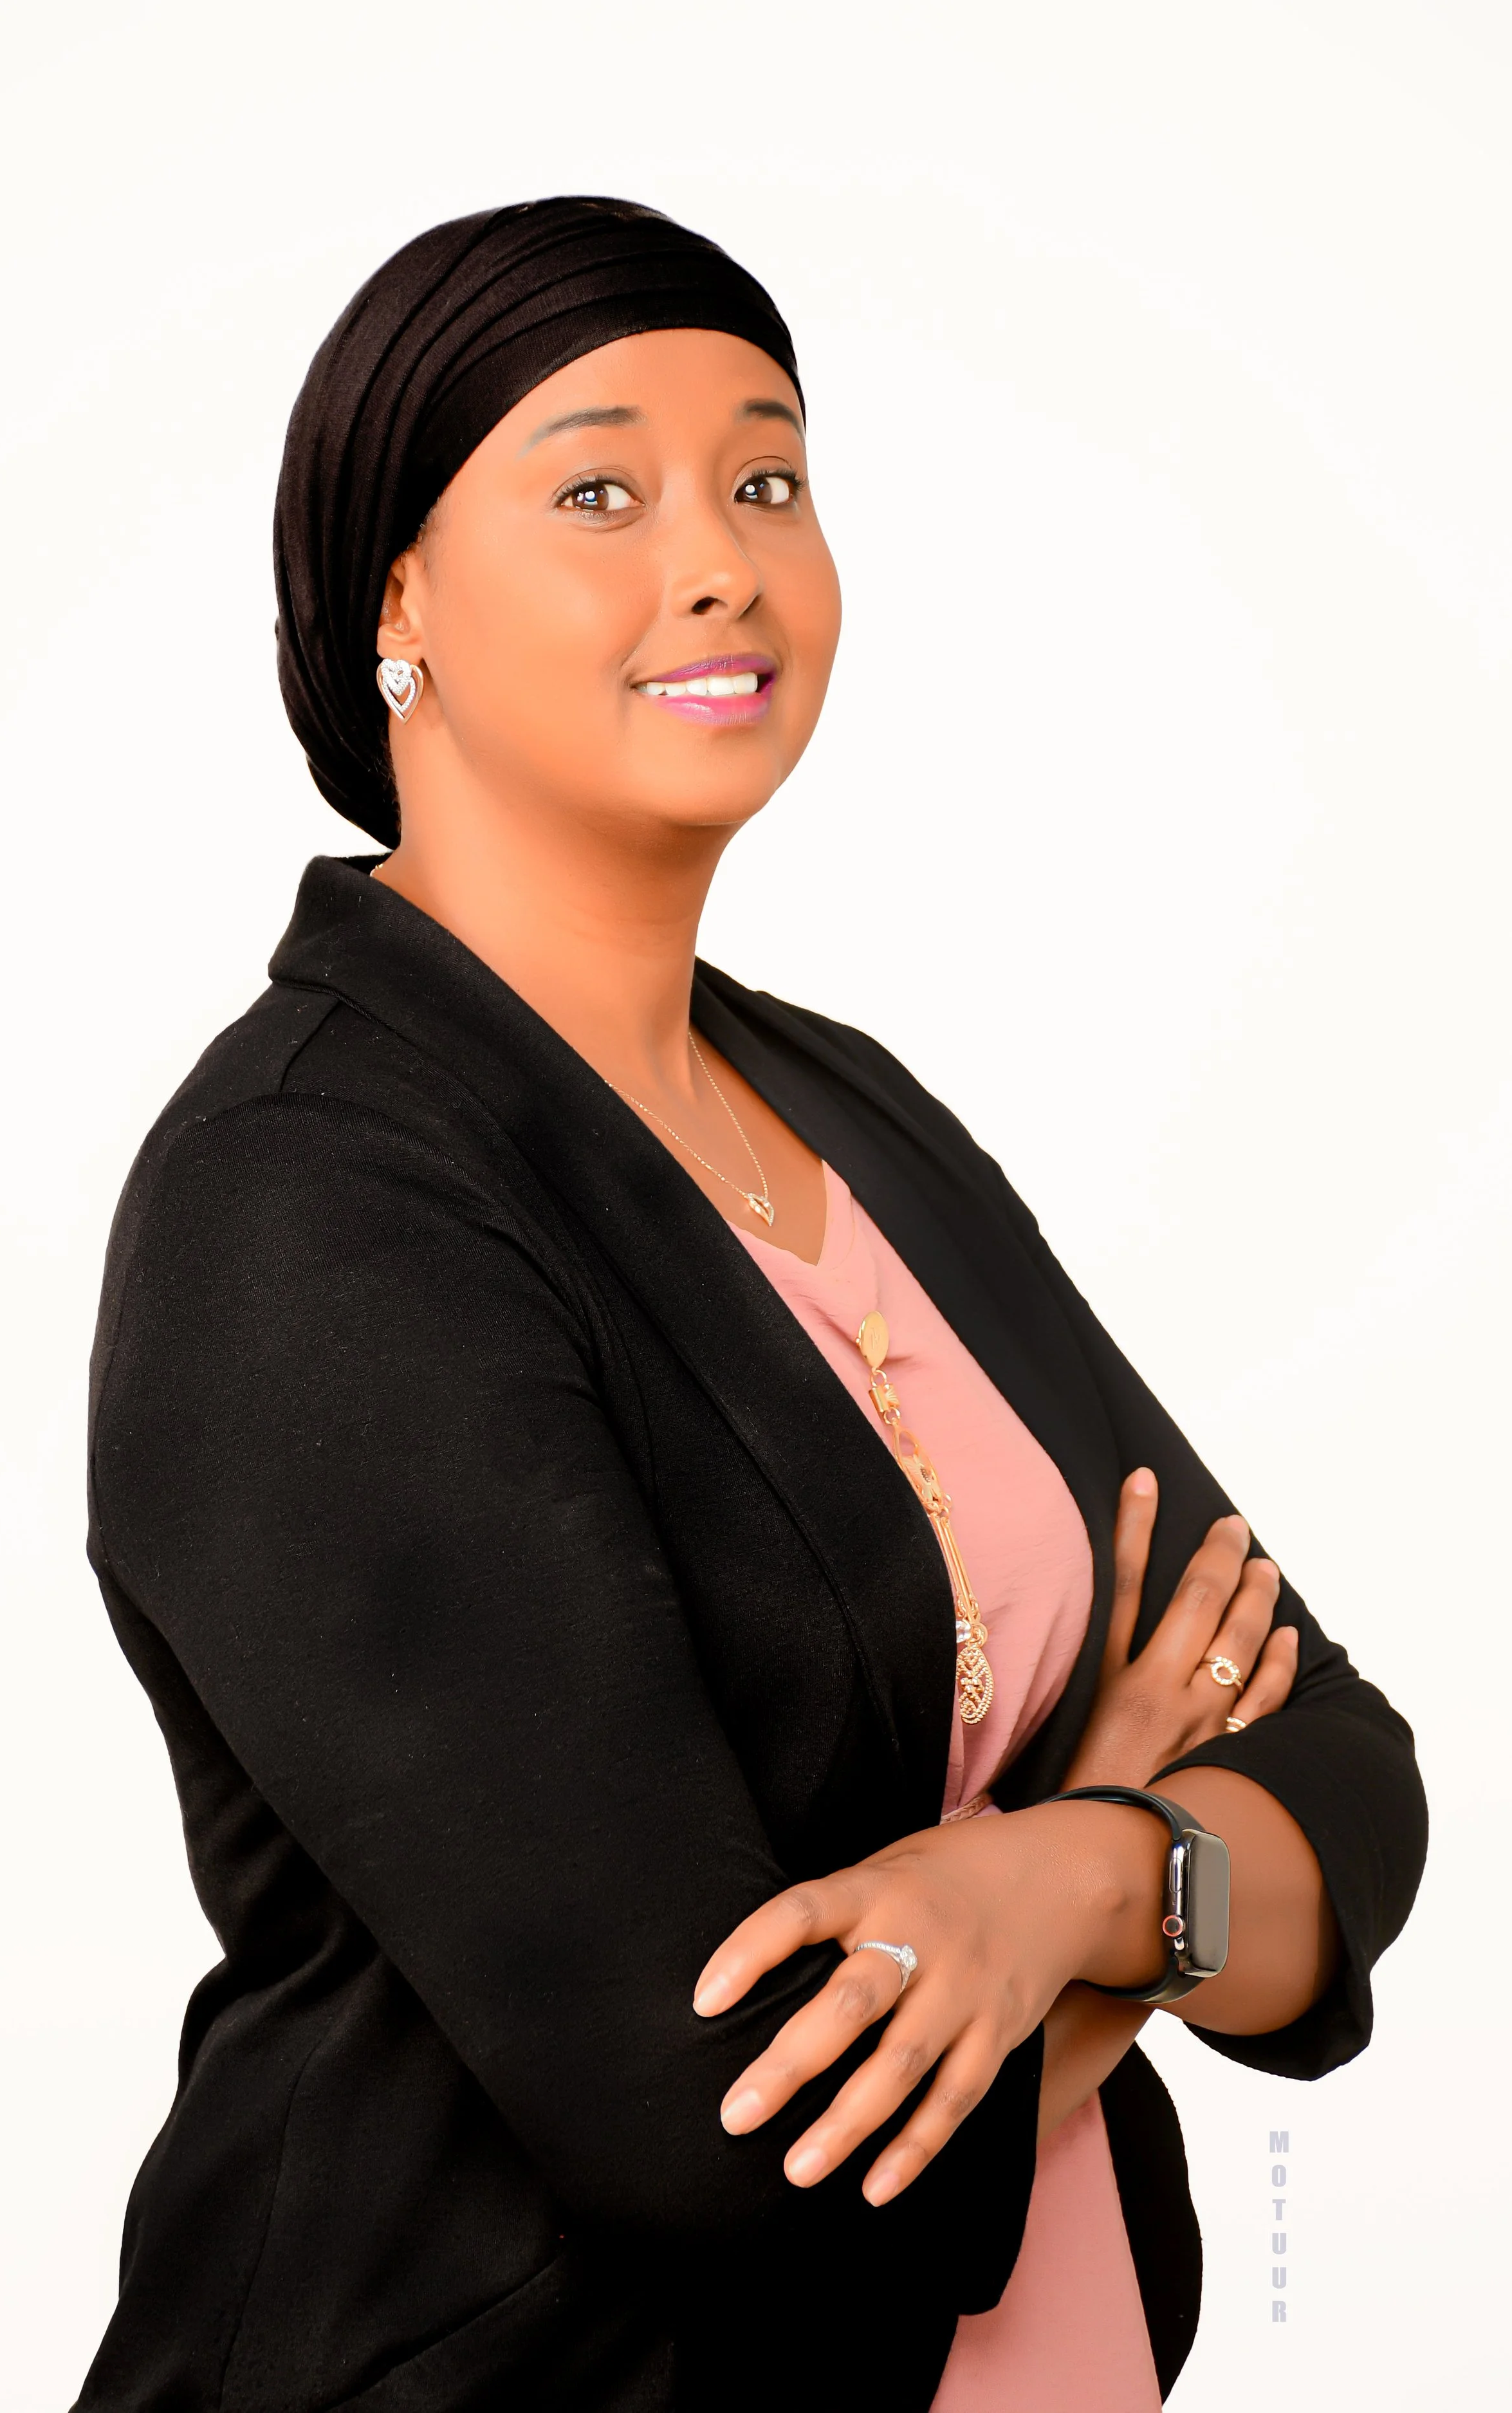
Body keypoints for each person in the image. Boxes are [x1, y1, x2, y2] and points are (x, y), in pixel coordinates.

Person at [75, 198, 1426, 2412]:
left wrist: (1060, 1881)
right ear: (394, 599)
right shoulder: (313, 1198)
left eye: (767, 478)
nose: (719, 562)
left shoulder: (836, 1105)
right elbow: (743, 2164)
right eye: (599, 490)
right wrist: (1141, 1892)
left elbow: (1344, 1774)